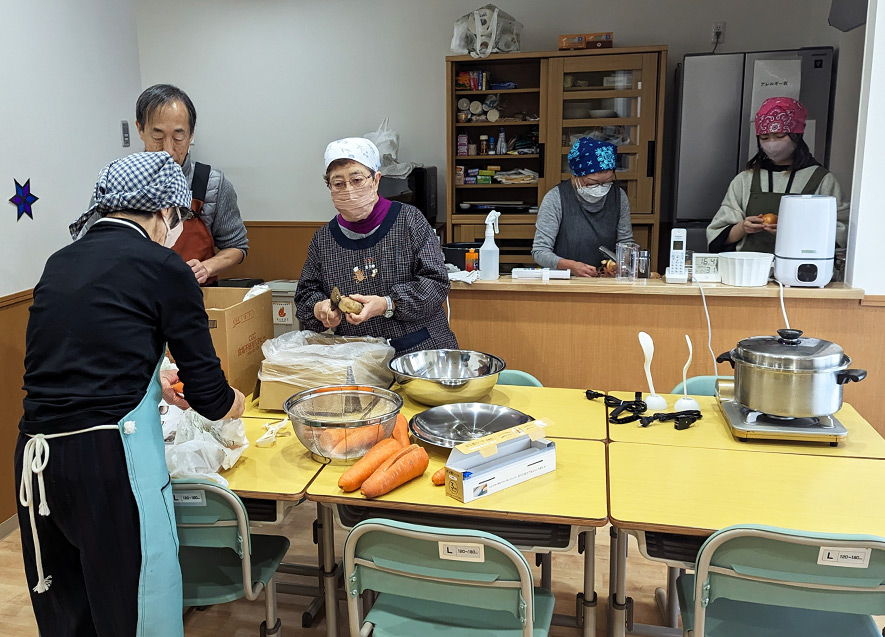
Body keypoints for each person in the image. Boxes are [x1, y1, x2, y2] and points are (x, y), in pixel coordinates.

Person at [24, 152, 246, 636]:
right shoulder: (164, 267)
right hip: (108, 461)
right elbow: (208, 393)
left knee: (67, 609)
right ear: (164, 212)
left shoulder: (59, 263)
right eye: (177, 219)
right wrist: (236, 403)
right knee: (133, 608)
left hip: (36, 465)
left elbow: (80, 358)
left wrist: (150, 380)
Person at [71, 84, 250, 285]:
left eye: (178, 137)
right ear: (140, 129)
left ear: (191, 135)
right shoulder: (115, 180)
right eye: (157, 136)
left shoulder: (212, 184)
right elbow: (88, 241)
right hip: (131, 296)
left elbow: (237, 245)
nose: (168, 150)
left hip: (195, 296)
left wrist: (207, 267)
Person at [294, 137, 458, 353]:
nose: (349, 190)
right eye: (338, 183)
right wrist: (320, 309)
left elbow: (436, 283)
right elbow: (306, 293)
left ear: (376, 180)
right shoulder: (324, 239)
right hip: (358, 357)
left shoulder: (410, 221)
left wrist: (387, 304)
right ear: (329, 187)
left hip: (421, 351)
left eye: (357, 180)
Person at [707, 97, 849, 253]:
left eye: (780, 136)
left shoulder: (822, 180)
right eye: (764, 138)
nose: (772, 143)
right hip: (749, 270)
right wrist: (743, 227)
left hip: (801, 270)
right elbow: (717, 237)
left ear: (797, 136)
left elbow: (840, 234)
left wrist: (793, 232)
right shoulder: (745, 180)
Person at [532, 137, 633, 276]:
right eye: (592, 183)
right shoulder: (556, 198)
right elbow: (539, 252)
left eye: (607, 182)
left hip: (604, 280)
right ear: (575, 176)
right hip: (564, 279)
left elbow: (626, 244)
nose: (600, 188)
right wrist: (571, 266)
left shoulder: (618, 197)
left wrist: (620, 264)